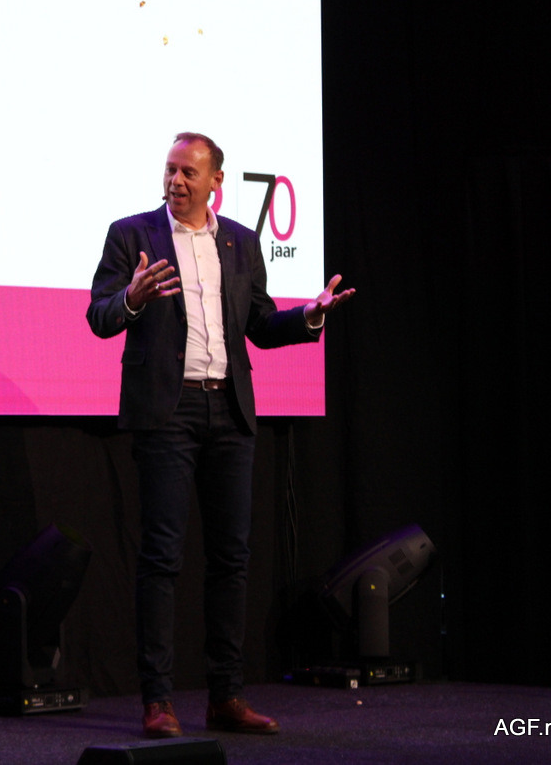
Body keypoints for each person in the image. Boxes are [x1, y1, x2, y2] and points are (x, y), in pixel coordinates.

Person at [86, 133, 354, 738]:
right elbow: (99, 316)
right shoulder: (130, 235)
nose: (176, 181)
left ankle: (226, 696)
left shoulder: (240, 241)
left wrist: (308, 317)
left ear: (216, 181)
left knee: (232, 558)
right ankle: (158, 700)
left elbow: (259, 323)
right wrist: (130, 298)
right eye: (170, 170)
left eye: (188, 172)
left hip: (229, 410)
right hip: (168, 411)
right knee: (161, 557)